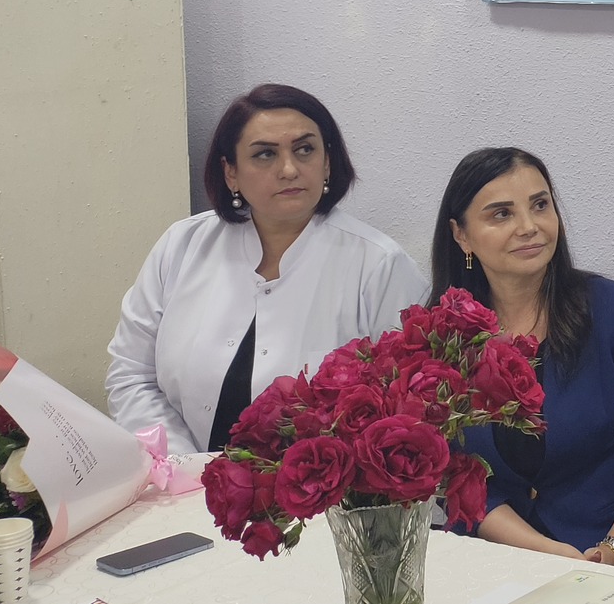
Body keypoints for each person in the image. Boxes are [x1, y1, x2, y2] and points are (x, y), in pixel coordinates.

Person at [107, 83, 427, 455]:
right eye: (264, 154)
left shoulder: (380, 266)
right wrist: (184, 467)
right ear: (231, 173)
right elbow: (132, 375)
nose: (289, 169)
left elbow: (406, 408)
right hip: (181, 480)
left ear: (327, 162)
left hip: (321, 489)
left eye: (305, 150)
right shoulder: (183, 245)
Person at [431, 148, 614, 571]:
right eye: (502, 214)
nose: (529, 227)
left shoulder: (613, 309)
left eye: (540, 205)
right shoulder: (445, 334)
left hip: (603, 555)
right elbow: (456, 472)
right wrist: (543, 552)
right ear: (462, 236)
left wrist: (613, 551)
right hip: (490, 554)